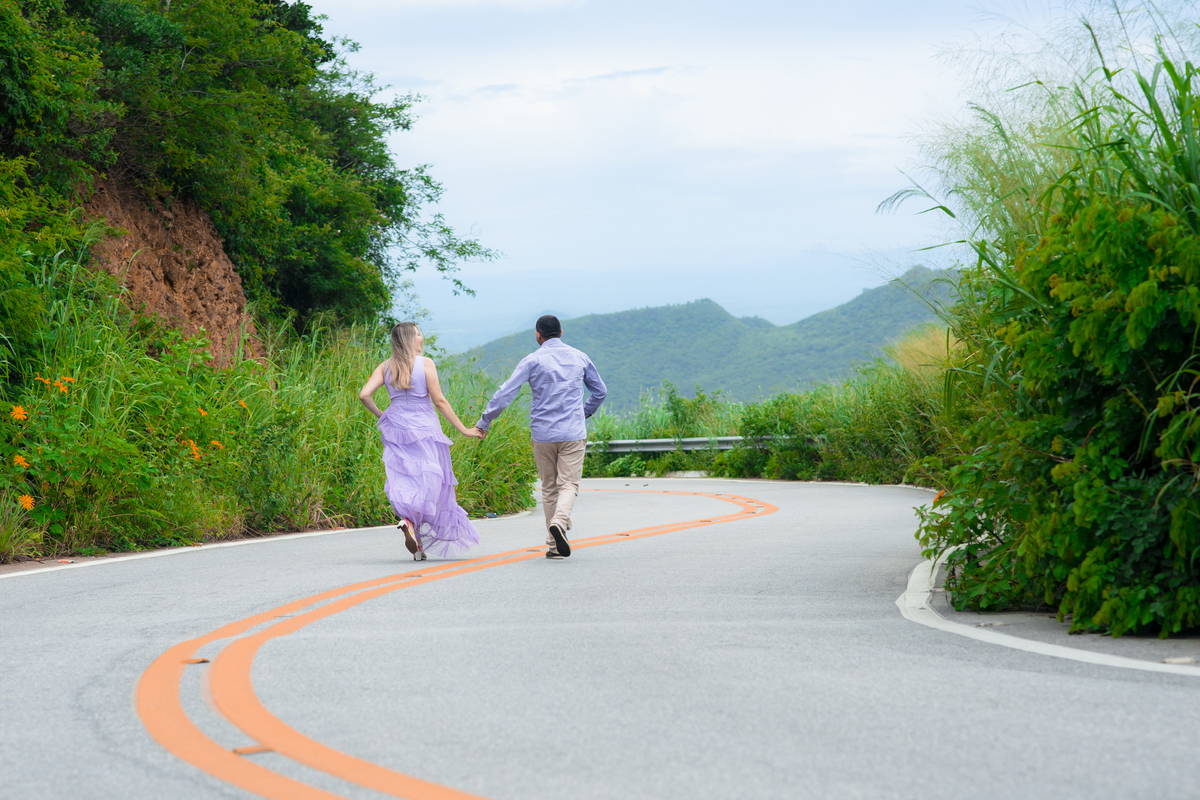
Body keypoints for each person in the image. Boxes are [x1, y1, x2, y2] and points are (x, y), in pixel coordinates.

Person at [475, 314, 606, 559]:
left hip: (543, 434)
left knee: (549, 488)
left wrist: (485, 420)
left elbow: (506, 393)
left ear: (538, 335)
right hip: (572, 433)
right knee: (568, 485)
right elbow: (600, 391)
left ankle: (554, 546)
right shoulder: (580, 357)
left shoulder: (532, 360)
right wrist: (583, 413)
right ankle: (560, 522)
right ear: (561, 332)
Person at [359, 322, 484, 561]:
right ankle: (414, 528)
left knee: (406, 478)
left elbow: (364, 395)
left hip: (396, 427)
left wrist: (382, 416)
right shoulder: (425, 363)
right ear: (409, 339)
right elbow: (439, 401)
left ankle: (409, 523)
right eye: (417, 334)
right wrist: (464, 429)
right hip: (425, 427)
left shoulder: (385, 367)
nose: (421, 337)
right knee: (430, 480)